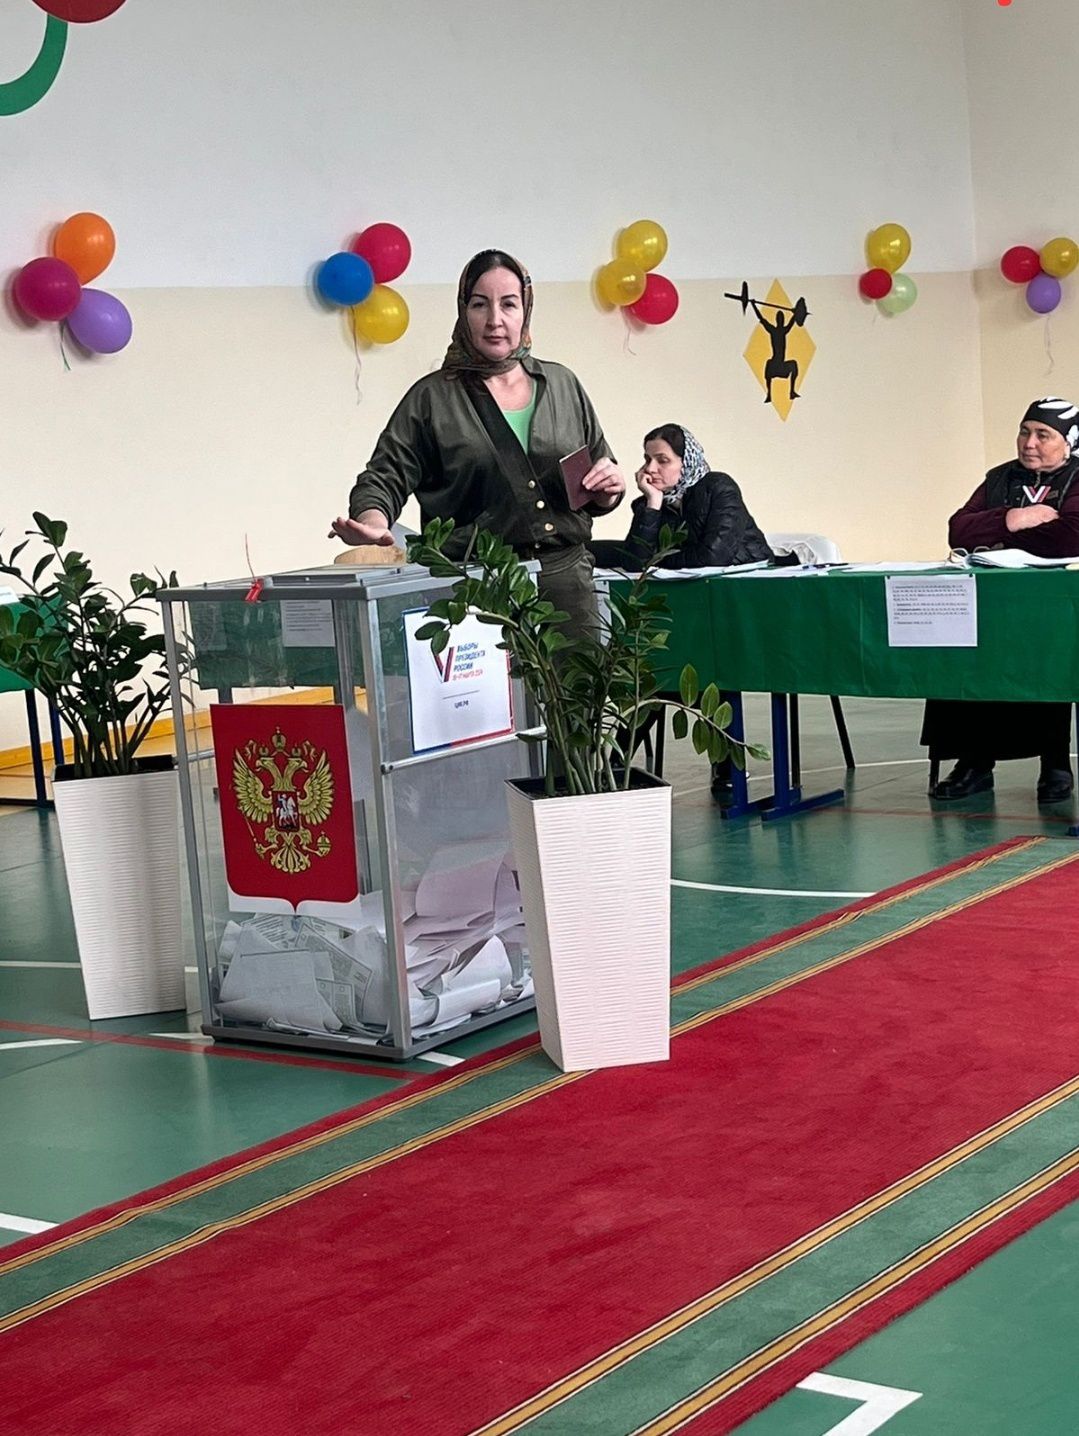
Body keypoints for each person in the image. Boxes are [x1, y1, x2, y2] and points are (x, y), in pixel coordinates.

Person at [329, 249, 626, 639]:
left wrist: (609, 490)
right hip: (475, 587)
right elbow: (383, 478)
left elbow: (599, 473)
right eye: (480, 304)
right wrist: (373, 523)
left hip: (567, 585)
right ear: (463, 310)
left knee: (575, 682)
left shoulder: (562, 385)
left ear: (526, 310)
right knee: (485, 683)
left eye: (509, 304)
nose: (495, 320)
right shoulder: (432, 398)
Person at [924, 396, 1079, 803]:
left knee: (1048, 657)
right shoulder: (999, 479)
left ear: (1068, 442)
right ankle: (973, 764)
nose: (1030, 443)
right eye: (1025, 432)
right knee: (959, 648)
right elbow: (958, 530)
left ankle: (1054, 763)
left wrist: (995, 533)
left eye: (1043, 434)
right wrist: (1017, 517)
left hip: (1052, 605)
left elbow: (1070, 536)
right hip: (988, 601)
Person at [593, 423, 775, 570]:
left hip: (751, 579)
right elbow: (635, 563)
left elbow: (713, 558)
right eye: (648, 459)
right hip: (693, 582)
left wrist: (655, 560)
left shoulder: (719, 487)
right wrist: (653, 504)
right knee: (589, 550)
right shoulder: (650, 501)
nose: (650, 469)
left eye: (662, 460)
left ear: (687, 462)